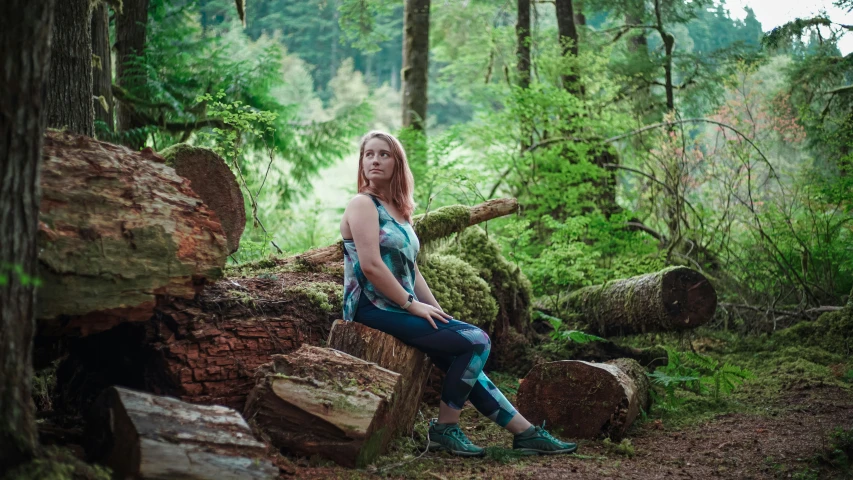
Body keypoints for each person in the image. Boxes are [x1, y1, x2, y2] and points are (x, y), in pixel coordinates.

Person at [339, 130, 578, 457]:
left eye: (384, 154)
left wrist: (437, 312)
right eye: (369, 154)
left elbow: (413, 270)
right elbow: (371, 267)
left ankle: (526, 433)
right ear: (362, 163)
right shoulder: (362, 204)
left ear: (397, 163)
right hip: (373, 308)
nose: (375, 160)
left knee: (463, 355)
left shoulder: (398, 210)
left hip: (401, 307)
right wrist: (412, 306)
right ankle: (445, 429)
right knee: (477, 340)